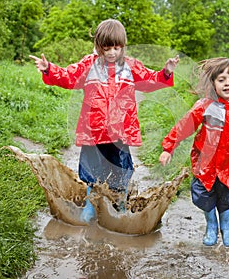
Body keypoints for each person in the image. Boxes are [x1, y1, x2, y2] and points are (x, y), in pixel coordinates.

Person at [30, 19, 179, 222]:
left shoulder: (131, 66)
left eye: (116, 48)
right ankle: (91, 205)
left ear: (123, 47)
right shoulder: (88, 64)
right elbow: (68, 77)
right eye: (106, 48)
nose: (111, 53)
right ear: (98, 46)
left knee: (121, 168)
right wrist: (49, 69)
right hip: (94, 130)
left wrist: (166, 72)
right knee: (92, 169)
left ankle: (121, 204)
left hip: (120, 130)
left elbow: (149, 80)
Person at [159, 57, 229, 247]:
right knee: (204, 194)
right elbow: (184, 126)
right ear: (213, 83)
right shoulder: (205, 106)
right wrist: (169, 148)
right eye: (222, 80)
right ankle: (211, 226)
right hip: (204, 163)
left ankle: (226, 226)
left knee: (226, 196)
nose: (227, 84)